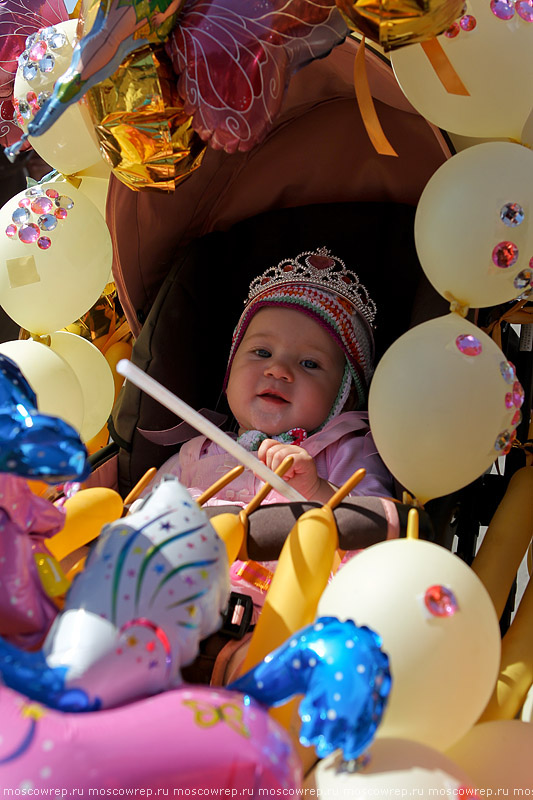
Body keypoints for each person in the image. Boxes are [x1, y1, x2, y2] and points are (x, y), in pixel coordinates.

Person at [141, 247, 399, 623]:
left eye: (309, 363)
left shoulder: (347, 448)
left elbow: (381, 530)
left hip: (282, 618)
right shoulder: (198, 451)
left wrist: (319, 491)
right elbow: (141, 516)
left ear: (345, 395)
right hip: (170, 606)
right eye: (261, 352)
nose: (278, 369)